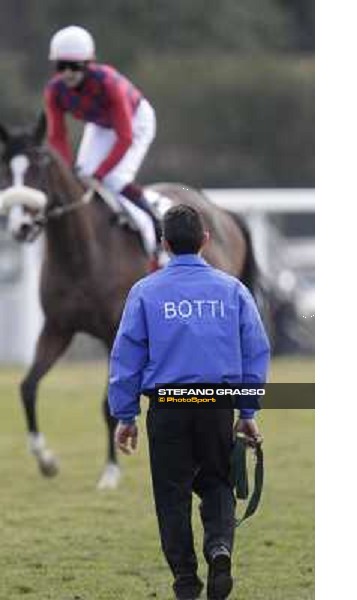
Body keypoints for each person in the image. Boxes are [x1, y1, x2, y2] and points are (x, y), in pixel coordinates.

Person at [108, 204, 270, 600]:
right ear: (205, 240)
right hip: (217, 405)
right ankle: (219, 548)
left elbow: (126, 358)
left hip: (168, 408)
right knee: (218, 483)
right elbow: (256, 351)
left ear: (163, 244)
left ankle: (185, 582)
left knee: (172, 496)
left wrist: (125, 415)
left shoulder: (145, 291)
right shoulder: (232, 289)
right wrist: (247, 412)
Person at [44, 25, 162, 250]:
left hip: (136, 121)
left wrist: (100, 173)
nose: (67, 73)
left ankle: (156, 224)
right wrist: (67, 171)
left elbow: (125, 137)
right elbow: (57, 137)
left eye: (74, 66)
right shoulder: (54, 91)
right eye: (61, 66)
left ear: (88, 64)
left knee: (114, 179)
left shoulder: (108, 84)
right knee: (81, 178)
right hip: (101, 124)